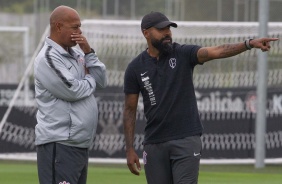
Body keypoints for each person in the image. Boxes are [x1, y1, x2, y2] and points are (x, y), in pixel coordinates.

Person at [123, 11, 278, 184]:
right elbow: (130, 109)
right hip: (154, 144)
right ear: (146, 33)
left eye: (169, 28)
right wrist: (129, 149)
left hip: (186, 140)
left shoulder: (182, 53)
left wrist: (248, 44)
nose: (167, 33)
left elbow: (216, 51)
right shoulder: (135, 68)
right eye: (161, 29)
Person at [34, 5, 107, 184]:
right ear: (58, 26)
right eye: (75, 27)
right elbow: (72, 90)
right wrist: (90, 80)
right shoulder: (48, 58)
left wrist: (88, 52)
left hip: (78, 144)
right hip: (59, 144)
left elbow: (102, 80)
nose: (80, 31)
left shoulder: (77, 54)